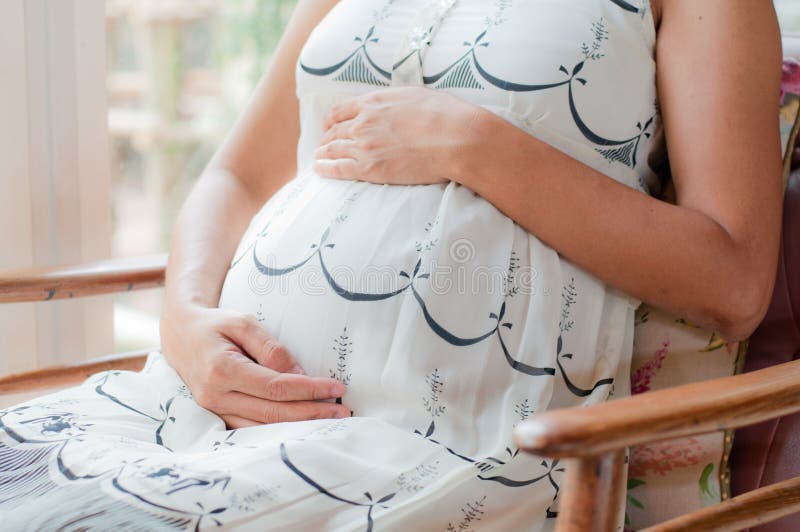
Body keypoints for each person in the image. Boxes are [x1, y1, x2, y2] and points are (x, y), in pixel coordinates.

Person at [0, 0, 783, 530]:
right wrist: (185, 326)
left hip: (440, 447)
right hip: (189, 407)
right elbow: (234, 175)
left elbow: (734, 280)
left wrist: (471, 143)